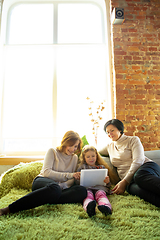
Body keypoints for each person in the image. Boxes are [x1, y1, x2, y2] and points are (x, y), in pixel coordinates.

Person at [0, 131, 87, 216]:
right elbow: (47, 173)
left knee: (82, 191)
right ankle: (9, 209)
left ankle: (48, 197)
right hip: (43, 181)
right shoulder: (52, 151)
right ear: (65, 142)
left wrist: (65, 184)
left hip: (58, 189)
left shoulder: (74, 158)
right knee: (55, 188)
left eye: (75, 146)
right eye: (71, 145)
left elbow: (72, 179)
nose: (73, 149)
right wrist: (69, 176)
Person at [99, 119, 160, 207]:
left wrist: (124, 181)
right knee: (137, 190)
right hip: (129, 181)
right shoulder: (109, 146)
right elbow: (95, 151)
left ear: (120, 129)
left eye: (112, 130)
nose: (109, 134)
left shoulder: (133, 140)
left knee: (139, 177)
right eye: (107, 132)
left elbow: (138, 161)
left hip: (145, 168)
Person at [76, 145, 112, 217]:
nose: (91, 159)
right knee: (88, 195)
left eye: (93, 156)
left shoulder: (101, 167)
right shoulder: (82, 168)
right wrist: (79, 179)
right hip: (87, 188)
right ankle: (89, 208)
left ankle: (106, 208)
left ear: (96, 156)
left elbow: (108, 185)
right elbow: (77, 183)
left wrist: (107, 182)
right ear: (84, 158)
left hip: (100, 188)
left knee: (101, 194)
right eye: (88, 157)